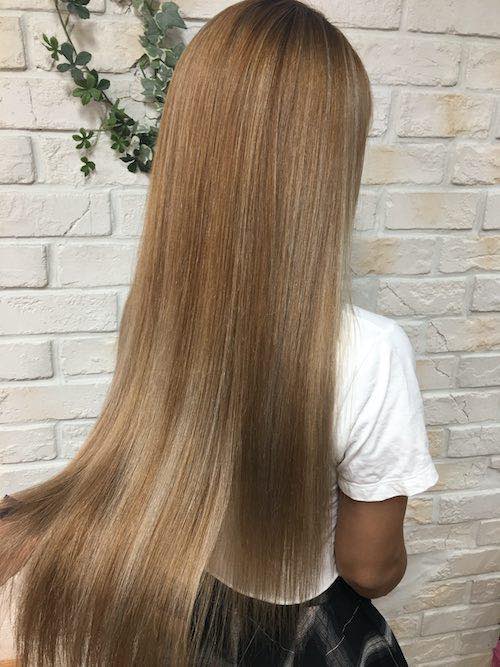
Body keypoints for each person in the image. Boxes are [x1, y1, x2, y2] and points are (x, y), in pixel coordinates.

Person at [0, 0, 438, 664]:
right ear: (330, 164)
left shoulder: (151, 316)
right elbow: (370, 568)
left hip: (185, 609)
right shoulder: (371, 352)